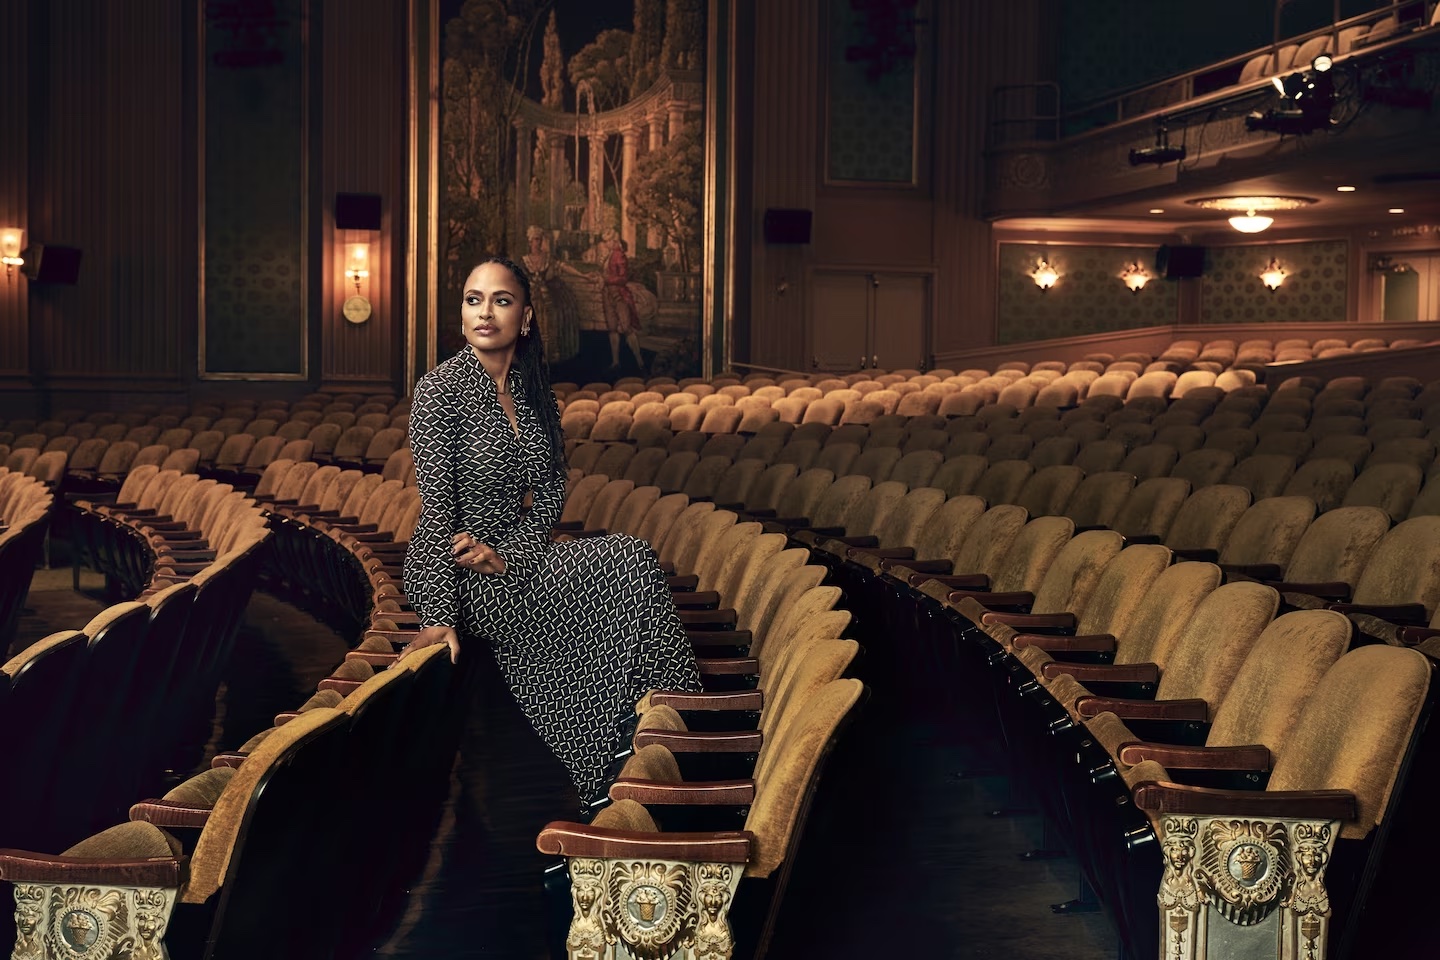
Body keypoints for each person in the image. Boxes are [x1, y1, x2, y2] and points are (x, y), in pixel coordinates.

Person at [403, 255, 700, 801]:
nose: (485, 312)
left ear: (528, 315)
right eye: (473, 300)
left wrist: (510, 556)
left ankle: (645, 742)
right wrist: (441, 614)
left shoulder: (536, 391)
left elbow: (550, 497)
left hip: (515, 555)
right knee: (622, 563)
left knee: (628, 562)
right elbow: (438, 508)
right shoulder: (440, 388)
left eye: (501, 300)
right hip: (455, 570)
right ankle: (660, 746)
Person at [598, 228, 644, 371]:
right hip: (608, 294)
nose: (606, 244)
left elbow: (623, 278)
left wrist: (607, 279)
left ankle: (639, 361)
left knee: (626, 328)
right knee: (612, 329)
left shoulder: (619, 255)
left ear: (614, 240)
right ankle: (616, 362)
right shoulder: (609, 254)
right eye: (605, 242)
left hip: (619, 295)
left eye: (607, 241)